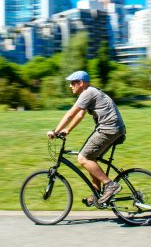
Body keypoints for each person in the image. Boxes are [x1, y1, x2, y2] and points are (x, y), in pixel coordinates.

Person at [47, 71, 126, 205]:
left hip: (109, 128)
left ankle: (110, 185)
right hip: (113, 128)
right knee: (91, 158)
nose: (70, 86)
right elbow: (79, 115)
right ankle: (97, 194)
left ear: (81, 83)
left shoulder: (87, 93)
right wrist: (67, 130)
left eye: (73, 83)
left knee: (83, 158)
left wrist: (55, 131)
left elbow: (71, 114)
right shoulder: (90, 93)